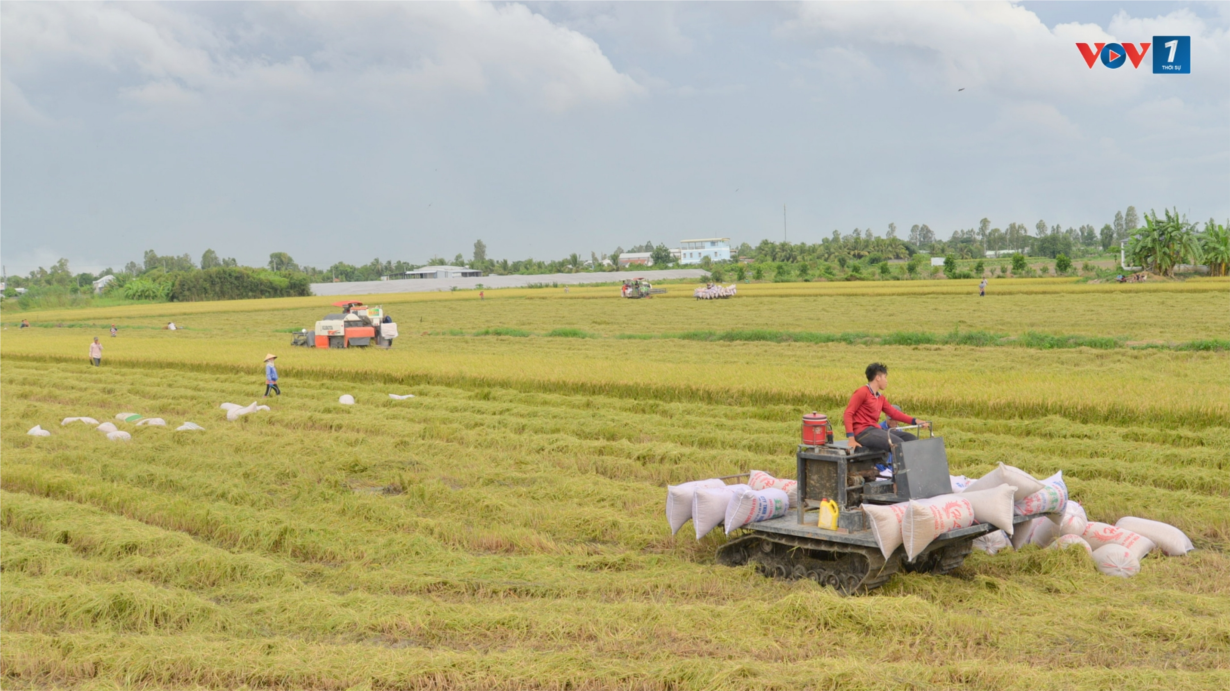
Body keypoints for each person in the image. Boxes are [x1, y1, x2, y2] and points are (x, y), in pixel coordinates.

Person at [844, 363, 929, 453]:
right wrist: (851, 439)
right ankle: (901, 467)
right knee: (897, 444)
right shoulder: (862, 392)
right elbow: (848, 413)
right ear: (878, 378)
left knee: (911, 438)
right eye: (885, 377)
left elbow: (894, 413)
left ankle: (915, 466)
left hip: (875, 430)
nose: (886, 381)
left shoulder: (880, 398)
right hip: (863, 432)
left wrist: (915, 421)